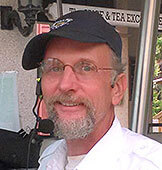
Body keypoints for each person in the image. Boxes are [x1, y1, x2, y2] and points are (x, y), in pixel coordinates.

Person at [22, 10, 162, 170]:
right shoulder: (49, 158)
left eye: (86, 67)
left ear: (116, 88)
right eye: (55, 68)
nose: (65, 85)